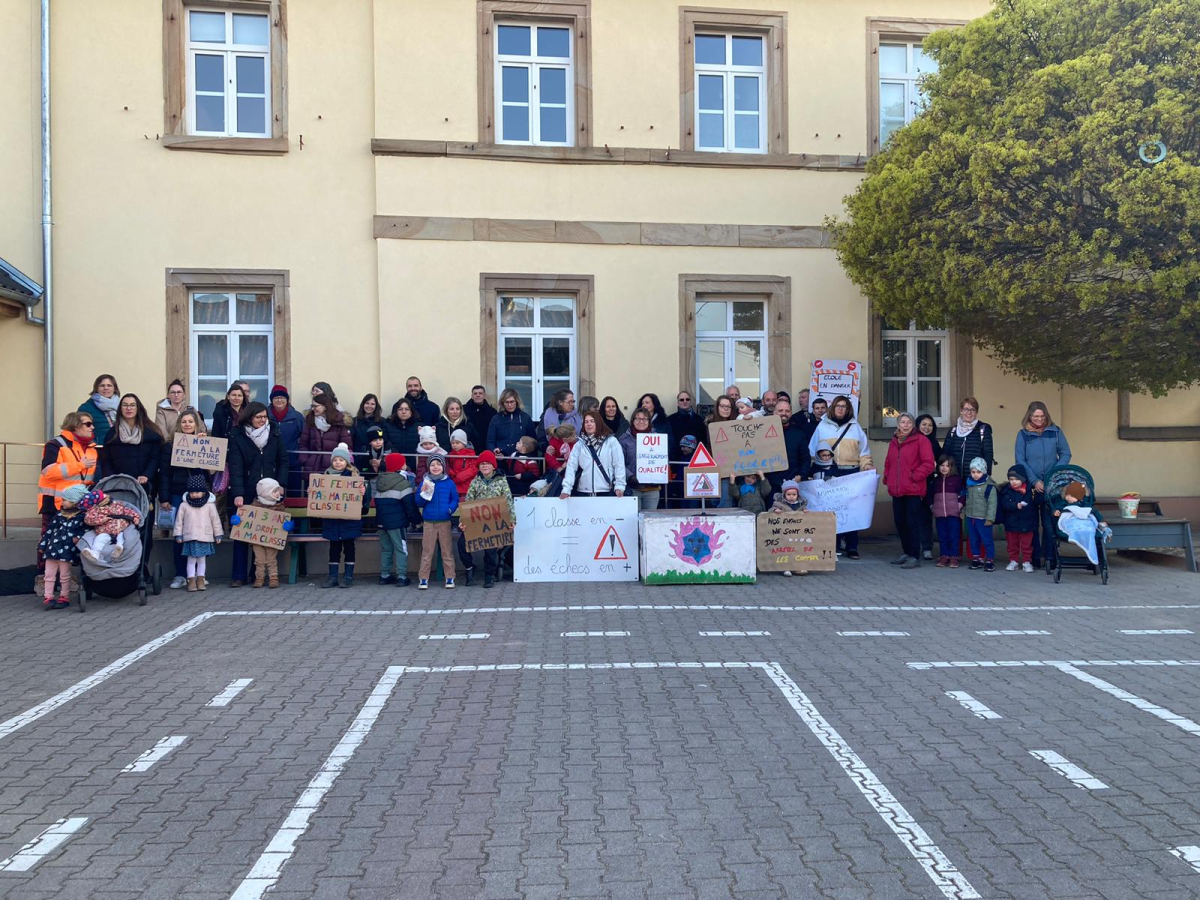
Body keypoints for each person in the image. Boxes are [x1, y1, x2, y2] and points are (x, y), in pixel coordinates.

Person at [227, 402, 289, 587]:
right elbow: (235, 467)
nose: (263, 420)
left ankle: (257, 574)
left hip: (270, 491)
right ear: (249, 418)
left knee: (263, 533)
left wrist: (281, 485)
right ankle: (239, 575)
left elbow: (283, 460)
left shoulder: (274, 433)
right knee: (242, 533)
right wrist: (238, 493)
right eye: (258, 417)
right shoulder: (237, 436)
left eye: (265, 417)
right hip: (247, 489)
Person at [807, 395, 874, 559]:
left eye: (844, 406)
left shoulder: (855, 427)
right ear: (833, 408)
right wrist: (813, 472)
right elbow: (812, 451)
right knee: (832, 510)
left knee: (852, 510)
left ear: (848, 409)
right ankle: (834, 545)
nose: (840, 409)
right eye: (838, 406)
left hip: (851, 473)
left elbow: (864, 452)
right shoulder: (822, 426)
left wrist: (867, 465)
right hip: (830, 472)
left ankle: (852, 546)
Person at [36, 411, 99, 587]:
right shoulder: (56, 444)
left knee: (72, 542)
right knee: (48, 541)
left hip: (78, 505)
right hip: (54, 502)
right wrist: (79, 465)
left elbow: (88, 478)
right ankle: (42, 578)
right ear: (75, 426)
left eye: (92, 423)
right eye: (88, 424)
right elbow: (48, 470)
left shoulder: (91, 449)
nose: (92, 427)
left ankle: (65, 578)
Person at [1015, 401, 1072, 569]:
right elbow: (1020, 460)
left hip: (1052, 485)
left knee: (1049, 523)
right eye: (1035, 416)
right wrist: (1034, 481)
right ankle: (1034, 558)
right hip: (1031, 485)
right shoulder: (1023, 434)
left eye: (1042, 416)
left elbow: (1065, 453)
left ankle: (1050, 557)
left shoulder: (1056, 432)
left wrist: (1052, 475)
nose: (1039, 420)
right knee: (1032, 523)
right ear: (1029, 416)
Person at [159, 410, 211, 589]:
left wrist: (202, 445)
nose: (187, 424)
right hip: (177, 494)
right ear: (179, 425)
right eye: (184, 422)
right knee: (180, 535)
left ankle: (199, 575)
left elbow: (206, 473)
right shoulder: (169, 446)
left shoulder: (203, 443)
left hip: (199, 495)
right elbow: (164, 474)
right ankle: (181, 574)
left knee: (200, 533)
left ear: (196, 424)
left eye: (190, 421)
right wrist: (164, 497)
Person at [883, 413, 936, 569]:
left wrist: (915, 476)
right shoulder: (894, 441)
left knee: (912, 522)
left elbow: (928, 464)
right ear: (898, 425)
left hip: (913, 488)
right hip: (897, 488)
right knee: (900, 521)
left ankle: (914, 555)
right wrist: (887, 477)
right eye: (903, 422)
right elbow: (888, 462)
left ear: (913, 425)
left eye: (909, 422)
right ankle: (906, 552)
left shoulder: (921, 440)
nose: (905, 425)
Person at [461, 451, 514, 588]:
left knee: (490, 550)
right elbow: (468, 501)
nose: (484, 466)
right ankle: (469, 568)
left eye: (487, 463)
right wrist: (463, 522)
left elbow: (508, 502)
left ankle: (489, 576)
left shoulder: (502, 481)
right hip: (476, 521)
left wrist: (512, 520)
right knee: (462, 544)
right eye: (482, 464)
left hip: (494, 522)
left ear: (493, 466)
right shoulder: (475, 481)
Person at [318, 444, 366, 588]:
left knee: (349, 548)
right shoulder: (325, 477)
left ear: (347, 461)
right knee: (334, 549)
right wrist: (313, 492)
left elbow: (364, 502)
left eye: (341, 460)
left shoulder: (354, 477)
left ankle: (348, 577)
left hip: (349, 522)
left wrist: (363, 492)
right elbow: (320, 496)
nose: (338, 462)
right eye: (335, 460)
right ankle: (333, 577)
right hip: (332, 521)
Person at [38, 483, 89, 609]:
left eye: (65, 500)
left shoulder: (82, 517)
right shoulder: (59, 515)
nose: (62, 502)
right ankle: (48, 597)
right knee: (49, 574)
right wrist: (43, 545)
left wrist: (79, 538)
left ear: (74, 502)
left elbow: (86, 531)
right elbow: (49, 530)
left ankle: (64, 596)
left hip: (67, 551)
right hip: (52, 549)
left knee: (65, 575)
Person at [100, 394, 164, 490]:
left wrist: (147, 475)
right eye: (125, 405)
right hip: (118, 485)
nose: (128, 408)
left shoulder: (151, 433)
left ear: (138, 408)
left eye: (132, 405)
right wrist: (112, 478)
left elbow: (155, 458)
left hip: (144, 484)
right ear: (120, 408)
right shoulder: (112, 434)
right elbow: (106, 461)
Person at [375, 453, 420, 586]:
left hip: (381, 522)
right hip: (397, 523)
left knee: (386, 549)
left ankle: (384, 575)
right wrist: (417, 521)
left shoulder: (380, 480)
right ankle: (401, 576)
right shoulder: (403, 483)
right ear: (400, 466)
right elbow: (410, 506)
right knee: (401, 549)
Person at [173, 472, 223, 592]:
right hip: (190, 536)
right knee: (191, 559)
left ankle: (200, 580)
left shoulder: (210, 505)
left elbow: (215, 520)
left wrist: (218, 534)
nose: (194, 495)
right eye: (191, 492)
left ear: (203, 492)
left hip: (204, 536)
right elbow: (179, 521)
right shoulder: (184, 505)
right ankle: (191, 581)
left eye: (197, 492)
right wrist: (178, 534)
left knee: (201, 560)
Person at [415, 453, 458, 589]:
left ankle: (450, 577)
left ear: (443, 467)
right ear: (428, 467)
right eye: (432, 465)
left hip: (445, 521)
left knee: (447, 551)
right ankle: (423, 579)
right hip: (429, 522)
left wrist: (450, 509)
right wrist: (422, 493)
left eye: (438, 464)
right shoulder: (425, 482)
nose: (435, 467)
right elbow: (419, 502)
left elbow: (455, 499)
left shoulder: (449, 483)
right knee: (427, 552)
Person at [558, 410, 625, 498]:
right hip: (583, 491)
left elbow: (619, 464)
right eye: (586, 422)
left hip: (606, 491)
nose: (589, 424)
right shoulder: (579, 444)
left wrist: (620, 486)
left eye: (592, 421)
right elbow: (571, 467)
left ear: (598, 423)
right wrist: (566, 489)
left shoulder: (611, 441)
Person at [241, 477, 287, 589]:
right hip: (257, 539)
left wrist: (287, 524)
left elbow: (283, 520)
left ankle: (273, 578)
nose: (278, 493)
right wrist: (239, 520)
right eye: (274, 491)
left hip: (272, 538)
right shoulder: (254, 506)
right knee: (259, 559)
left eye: (278, 491)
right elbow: (247, 518)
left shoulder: (279, 507)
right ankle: (259, 578)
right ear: (265, 492)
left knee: (271, 559)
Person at [668, 390, 706, 509]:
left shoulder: (699, 420)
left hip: (695, 462)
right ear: (678, 402)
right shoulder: (671, 419)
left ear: (691, 401)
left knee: (694, 493)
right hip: (677, 462)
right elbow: (670, 441)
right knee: (679, 495)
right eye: (681, 400)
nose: (684, 402)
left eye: (687, 399)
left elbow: (703, 441)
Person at [80, 490, 141, 564]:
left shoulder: (117, 504)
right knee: (99, 539)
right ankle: (95, 553)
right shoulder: (95, 510)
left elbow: (128, 511)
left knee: (123, 536)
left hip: (120, 528)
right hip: (106, 530)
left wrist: (136, 517)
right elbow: (88, 519)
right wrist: (102, 519)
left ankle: (119, 547)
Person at [620, 409, 662, 511]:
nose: (641, 421)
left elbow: (662, 460)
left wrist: (660, 476)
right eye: (638, 419)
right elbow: (619, 463)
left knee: (650, 519)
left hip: (652, 489)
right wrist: (630, 476)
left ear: (649, 421)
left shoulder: (658, 439)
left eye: (645, 419)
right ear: (633, 421)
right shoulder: (624, 440)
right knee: (633, 518)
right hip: (633, 488)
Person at [300, 392, 352, 474]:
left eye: (315, 406)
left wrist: (339, 462)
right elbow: (303, 444)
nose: (313, 409)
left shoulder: (339, 422)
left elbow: (346, 445)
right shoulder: (310, 421)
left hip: (333, 468)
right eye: (312, 406)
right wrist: (305, 460)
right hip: (312, 467)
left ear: (325, 406)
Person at [941, 397, 993, 478]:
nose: (969, 412)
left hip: (975, 478)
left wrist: (986, 476)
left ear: (976, 412)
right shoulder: (953, 430)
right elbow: (945, 454)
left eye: (973, 410)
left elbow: (988, 454)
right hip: (954, 477)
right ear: (961, 411)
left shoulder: (983, 429)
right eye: (966, 409)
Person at [768, 399, 812, 495]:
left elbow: (805, 458)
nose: (784, 413)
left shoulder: (798, 433)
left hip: (792, 485)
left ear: (791, 413)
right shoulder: (763, 431)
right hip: (770, 485)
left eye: (787, 411)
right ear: (774, 412)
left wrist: (801, 475)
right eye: (780, 410)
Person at [998, 466, 1038, 572]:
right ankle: (1013, 561)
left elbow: (1035, 504)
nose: (1013, 482)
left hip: (1027, 522)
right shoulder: (1006, 490)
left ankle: (1027, 562)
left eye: (1017, 479)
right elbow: (1004, 504)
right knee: (1012, 544)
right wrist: (1015, 505)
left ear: (1023, 479)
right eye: (1011, 479)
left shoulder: (1030, 490)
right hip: (1011, 522)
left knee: (1027, 545)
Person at [913, 413, 941, 559]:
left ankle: (927, 547)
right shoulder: (911, 441)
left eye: (930, 425)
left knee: (925, 516)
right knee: (913, 516)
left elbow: (941, 461)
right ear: (917, 425)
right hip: (913, 483)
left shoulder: (934, 443)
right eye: (924, 424)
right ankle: (912, 548)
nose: (927, 427)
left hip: (929, 483)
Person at [928, 456, 965, 568]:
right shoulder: (935, 481)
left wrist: (959, 504)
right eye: (942, 465)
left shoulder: (957, 480)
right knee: (942, 536)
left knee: (954, 536)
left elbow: (963, 493)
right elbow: (929, 495)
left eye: (947, 466)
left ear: (952, 467)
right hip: (939, 513)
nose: (944, 468)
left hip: (953, 513)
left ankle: (954, 557)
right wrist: (932, 506)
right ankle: (944, 556)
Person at [268, 385, 305, 495]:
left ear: (287, 400)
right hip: (271, 461)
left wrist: (300, 456)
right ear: (272, 400)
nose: (279, 400)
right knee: (272, 494)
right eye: (276, 397)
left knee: (294, 493)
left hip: (292, 461)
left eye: (282, 397)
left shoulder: (297, 417)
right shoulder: (265, 415)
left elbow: (304, 437)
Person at [962, 457, 998, 571]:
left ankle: (990, 560)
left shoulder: (989, 487)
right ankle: (977, 558)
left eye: (979, 472)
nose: (975, 474)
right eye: (973, 472)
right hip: (971, 517)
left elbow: (992, 504)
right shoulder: (969, 484)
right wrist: (963, 511)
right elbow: (967, 500)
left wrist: (990, 519)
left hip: (983, 518)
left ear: (984, 471)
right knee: (973, 539)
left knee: (987, 540)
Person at [704, 395, 738, 507]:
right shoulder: (709, 424)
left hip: (729, 470)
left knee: (725, 502)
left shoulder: (738, 423)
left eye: (729, 406)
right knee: (714, 502)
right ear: (717, 407)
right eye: (723, 406)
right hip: (713, 467)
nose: (726, 409)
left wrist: (747, 418)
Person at [486, 388, 536, 457]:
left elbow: (532, 441)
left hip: (520, 459)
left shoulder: (525, 418)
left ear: (517, 401)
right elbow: (490, 441)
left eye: (512, 402)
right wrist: (494, 451)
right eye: (506, 402)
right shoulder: (496, 419)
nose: (509, 405)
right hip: (500, 457)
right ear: (502, 403)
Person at [79, 374, 120, 447]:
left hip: (119, 447)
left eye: (109, 385)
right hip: (98, 448)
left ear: (115, 388)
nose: (106, 388)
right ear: (96, 388)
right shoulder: (86, 408)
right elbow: (80, 431)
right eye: (102, 385)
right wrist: (92, 444)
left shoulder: (121, 406)